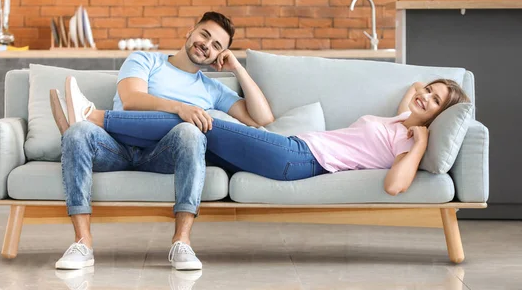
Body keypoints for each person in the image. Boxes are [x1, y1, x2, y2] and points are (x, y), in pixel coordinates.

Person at [49, 11, 274, 271]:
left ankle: (182, 242)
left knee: (191, 132)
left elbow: (262, 118)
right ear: (190, 31)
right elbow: (132, 100)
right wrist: (181, 108)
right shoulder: (145, 60)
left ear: (218, 56)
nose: (206, 45)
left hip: (162, 155)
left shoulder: (212, 89)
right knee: (77, 132)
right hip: (115, 146)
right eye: (205, 35)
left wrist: (237, 67)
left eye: (217, 46)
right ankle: (82, 243)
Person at [53, 79, 469, 199]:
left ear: (436, 116)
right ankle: (93, 138)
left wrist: (419, 140)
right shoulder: (398, 116)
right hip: (291, 153)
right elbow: (413, 85)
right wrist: (424, 99)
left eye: (433, 100)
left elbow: (395, 185)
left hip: (297, 157)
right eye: (427, 90)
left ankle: (94, 118)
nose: (424, 95)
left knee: (202, 120)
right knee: (189, 137)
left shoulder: (407, 138)